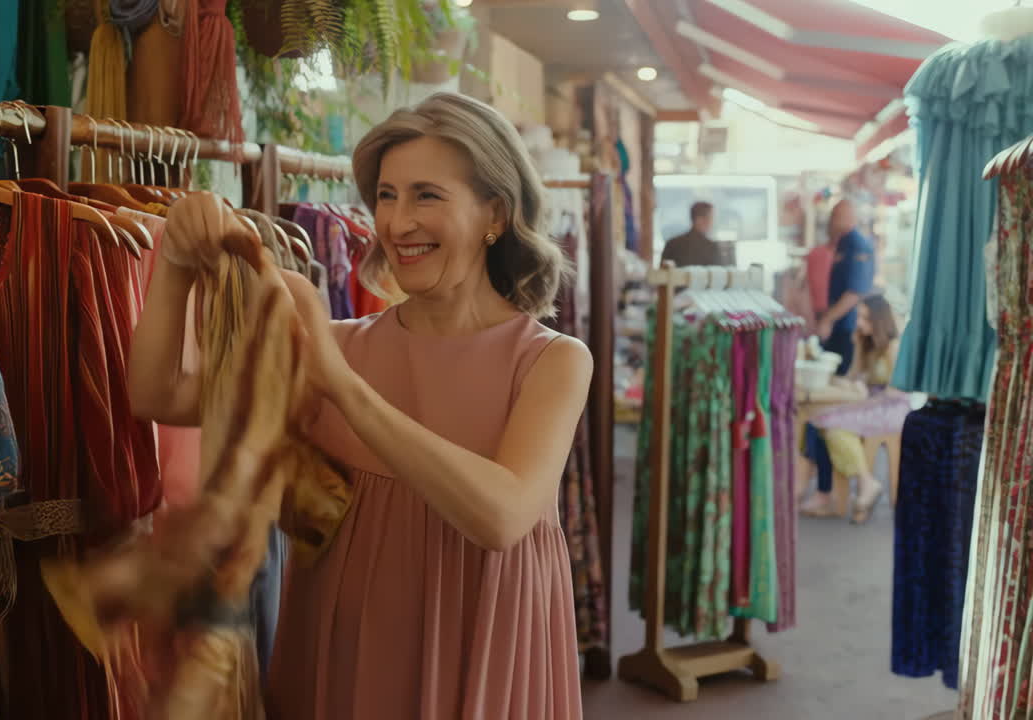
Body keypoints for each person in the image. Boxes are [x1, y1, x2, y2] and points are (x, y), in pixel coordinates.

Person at [128, 92, 590, 719]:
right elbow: (158, 394)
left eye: (427, 195)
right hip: (343, 650)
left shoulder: (552, 361)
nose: (398, 223)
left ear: (496, 214)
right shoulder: (336, 344)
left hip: (484, 644)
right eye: (387, 195)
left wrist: (342, 385)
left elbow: (502, 517)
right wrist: (177, 266)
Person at [800, 295, 907, 523]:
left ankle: (863, 483)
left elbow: (896, 391)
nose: (859, 322)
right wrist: (842, 384)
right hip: (868, 402)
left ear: (878, 320)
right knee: (818, 420)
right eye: (859, 316)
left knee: (831, 425)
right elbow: (853, 376)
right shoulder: (863, 341)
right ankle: (838, 489)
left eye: (864, 317)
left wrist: (859, 397)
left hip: (891, 407)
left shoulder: (893, 347)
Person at [816, 199, 876, 374]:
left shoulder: (858, 245)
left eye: (835, 216)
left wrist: (827, 320)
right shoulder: (842, 243)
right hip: (834, 324)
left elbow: (854, 293)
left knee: (837, 376)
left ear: (848, 217)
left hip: (843, 327)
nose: (831, 221)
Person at [660, 201, 723, 267]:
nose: (712, 222)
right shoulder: (711, 247)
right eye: (711, 218)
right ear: (699, 220)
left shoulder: (671, 243)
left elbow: (662, 272)